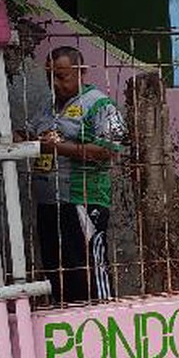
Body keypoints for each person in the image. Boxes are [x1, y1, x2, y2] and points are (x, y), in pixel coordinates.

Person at [29, 46, 125, 305]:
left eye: (62, 76)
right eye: (50, 77)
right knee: (56, 269)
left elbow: (109, 149)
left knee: (88, 267)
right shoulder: (46, 106)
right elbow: (30, 133)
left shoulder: (99, 104)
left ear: (81, 72)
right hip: (48, 204)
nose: (56, 84)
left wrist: (55, 147)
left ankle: (103, 320)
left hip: (83, 199)